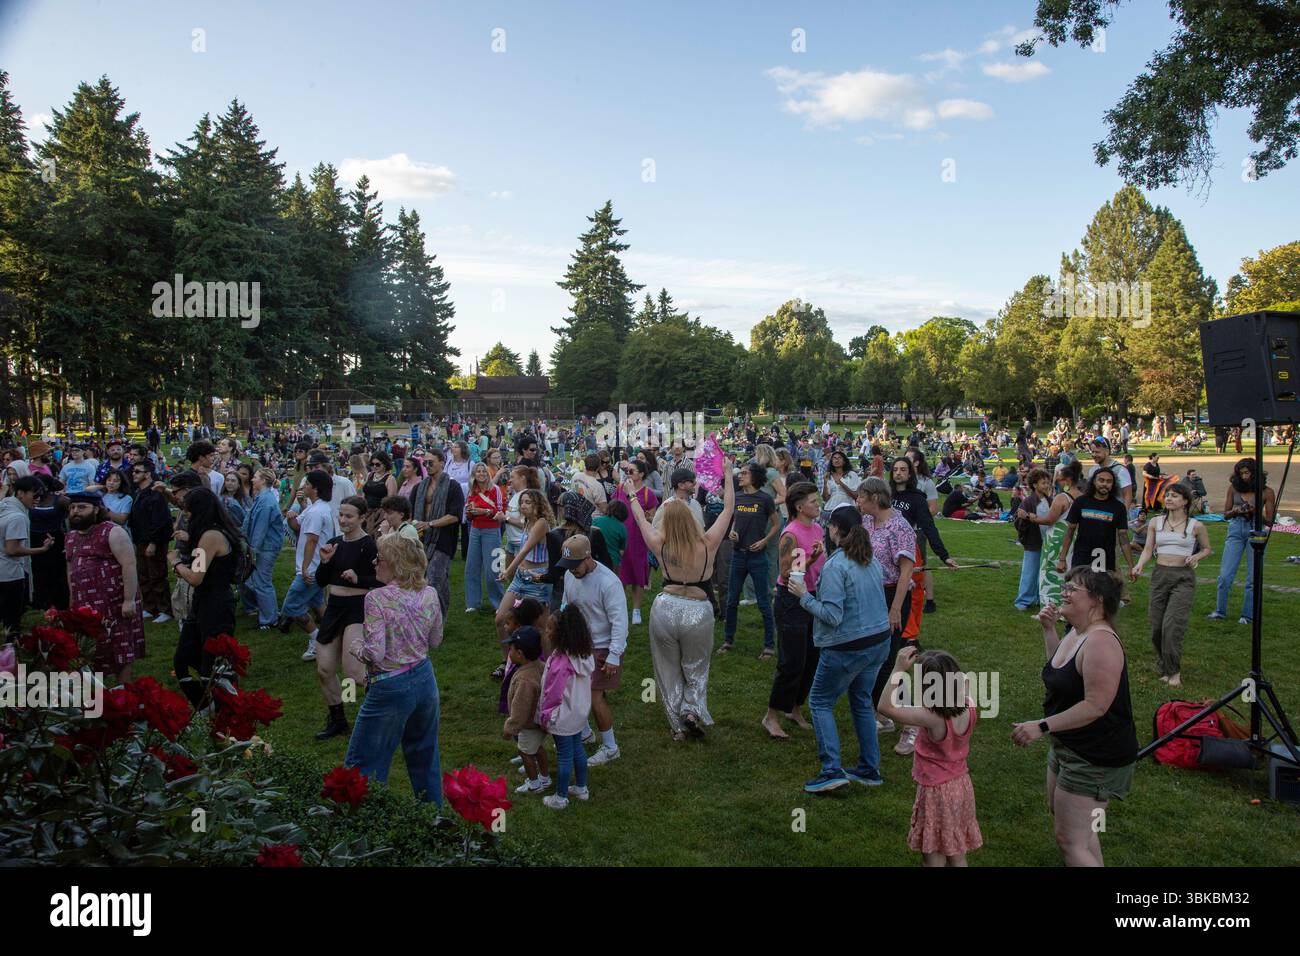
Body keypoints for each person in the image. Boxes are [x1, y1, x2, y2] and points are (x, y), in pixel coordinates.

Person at [1012, 568, 1138, 867]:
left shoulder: (1101, 642)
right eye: (1065, 586)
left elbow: (1095, 705)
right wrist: (1048, 630)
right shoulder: (1077, 632)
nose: (1063, 592)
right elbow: (1061, 672)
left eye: (1072, 589)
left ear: (1097, 600)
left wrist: (1042, 726)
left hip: (1096, 756)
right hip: (1070, 746)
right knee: (1074, 829)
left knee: (1071, 841)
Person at [627, 458, 736, 740]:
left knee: (667, 670)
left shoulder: (659, 543)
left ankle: (677, 726)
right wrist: (727, 475)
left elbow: (640, 518)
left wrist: (630, 494)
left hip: (665, 608)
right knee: (696, 667)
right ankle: (691, 710)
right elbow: (728, 508)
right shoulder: (708, 544)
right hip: (698, 611)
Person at [789, 506, 892, 792]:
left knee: (820, 702)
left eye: (829, 526)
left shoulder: (836, 566)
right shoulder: (869, 560)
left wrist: (803, 597)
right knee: (861, 700)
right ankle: (870, 768)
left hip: (849, 646)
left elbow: (832, 616)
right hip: (878, 641)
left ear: (835, 530)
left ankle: (831, 770)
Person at [344, 533, 444, 805]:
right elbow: (435, 640)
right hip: (424, 680)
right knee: (425, 757)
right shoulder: (430, 593)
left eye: (380, 558)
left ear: (395, 563)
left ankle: (360, 824)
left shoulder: (376, 598)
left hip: (389, 686)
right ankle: (435, 820)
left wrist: (355, 647)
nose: (375, 563)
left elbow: (374, 653)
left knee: (364, 763)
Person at [878, 646, 983, 866]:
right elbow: (964, 682)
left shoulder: (930, 717)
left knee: (933, 853)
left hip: (936, 792)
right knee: (956, 851)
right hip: (961, 785)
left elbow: (884, 707)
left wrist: (898, 668)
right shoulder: (969, 706)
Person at [1130, 482, 1210, 687]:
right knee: (1157, 626)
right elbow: (1148, 549)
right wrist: (1139, 565)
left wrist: (1196, 557)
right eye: (1167, 496)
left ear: (1185, 501)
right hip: (1160, 575)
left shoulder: (1196, 526)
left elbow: (1207, 549)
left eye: (1174, 496)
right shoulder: (1156, 522)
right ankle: (1164, 664)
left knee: (1172, 625)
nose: (1168, 499)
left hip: (1183, 578)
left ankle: (1174, 673)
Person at [312, 496, 379, 740]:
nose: (343, 520)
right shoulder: (333, 543)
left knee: (353, 672)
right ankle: (338, 720)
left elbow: (383, 580)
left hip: (357, 607)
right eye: (341, 515)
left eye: (349, 516)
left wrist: (359, 579)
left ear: (362, 518)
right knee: (325, 669)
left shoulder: (369, 545)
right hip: (334, 607)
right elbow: (321, 581)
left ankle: (380, 709)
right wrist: (324, 563)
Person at [762, 481, 826, 739]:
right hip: (791, 601)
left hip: (812, 598)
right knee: (791, 662)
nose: (817, 504)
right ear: (800, 507)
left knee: (812, 659)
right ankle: (771, 715)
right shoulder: (791, 533)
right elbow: (786, 572)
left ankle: (794, 708)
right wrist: (809, 559)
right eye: (813, 501)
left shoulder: (818, 528)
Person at [558, 533, 629, 760]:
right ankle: (586, 733)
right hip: (577, 645)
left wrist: (614, 655)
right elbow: (566, 604)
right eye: (567, 566)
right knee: (574, 692)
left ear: (588, 558)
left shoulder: (609, 582)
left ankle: (610, 747)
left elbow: (620, 621)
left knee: (594, 698)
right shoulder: (571, 576)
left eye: (575, 565)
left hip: (602, 647)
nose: (571, 570)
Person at [168, 488, 240, 708]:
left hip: (214, 605)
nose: (186, 516)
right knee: (185, 659)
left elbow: (196, 576)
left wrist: (176, 562)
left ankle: (223, 710)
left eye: (187, 511)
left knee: (213, 665)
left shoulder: (210, 536)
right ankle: (207, 708)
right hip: (208, 602)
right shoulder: (216, 532)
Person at [64, 490, 144, 683]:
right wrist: (72, 600)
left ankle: (123, 695)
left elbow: (129, 564)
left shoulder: (113, 531)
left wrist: (128, 600)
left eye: (82, 507)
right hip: (86, 607)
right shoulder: (71, 536)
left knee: (121, 650)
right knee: (89, 651)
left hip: (115, 604)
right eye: (73, 507)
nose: (75, 511)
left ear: (97, 509)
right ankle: (96, 700)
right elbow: (70, 570)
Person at [538, 605, 596, 810]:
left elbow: (552, 692)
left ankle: (560, 797)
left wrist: (546, 715)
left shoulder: (559, 662)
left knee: (564, 755)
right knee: (578, 750)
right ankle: (581, 787)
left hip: (561, 715)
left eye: (550, 628)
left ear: (561, 634)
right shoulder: (584, 656)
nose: (547, 631)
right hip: (579, 713)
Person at [494, 489, 555, 680]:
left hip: (537, 580)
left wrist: (507, 570)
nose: (523, 505)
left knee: (541, 627)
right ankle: (508, 663)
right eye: (522, 502)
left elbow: (525, 550)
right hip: (521, 578)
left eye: (527, 502)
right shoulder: (527, 522)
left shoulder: (541, 524)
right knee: (501, 618)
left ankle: (549, 670)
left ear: (537, 504)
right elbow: (518, 528)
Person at [719, 461, 778, 657]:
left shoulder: (765, 499)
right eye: (740, 473)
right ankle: (728, 641)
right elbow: (735, 520)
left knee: (763, 601)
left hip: (757, 557)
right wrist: (733, 533)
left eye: (744, 473)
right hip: (738, 555)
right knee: (732, 600)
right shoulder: (738, 498)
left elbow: (777, 524)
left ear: (755, 477)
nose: (740, 476)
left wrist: (764, 541)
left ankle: (769, 645)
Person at [1210, 458, 1275, 625]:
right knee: (1225, 575)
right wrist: (1236, 511)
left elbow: (1269, 521)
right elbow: (1225, 514)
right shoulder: (1233, 489)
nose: (1245, 476)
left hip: (1256, 530)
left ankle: (1247, 615)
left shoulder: (1267, 492)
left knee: (1253, 577)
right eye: (1241, 473)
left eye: (1248, 473)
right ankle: (1220, 611)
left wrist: (1255, 512)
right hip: (1236, 529)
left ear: (1255, 473)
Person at [280, 470, 336, 662]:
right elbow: (297, 527)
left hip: (311, 569)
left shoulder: (316, 511)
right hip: (318, 567)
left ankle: (316, 640)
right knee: (319, 603)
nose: (303, 487)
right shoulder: (315, 508)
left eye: (306, 484)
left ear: (315, 488)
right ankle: (335, 637)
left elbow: (311, 540)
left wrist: (304, 569)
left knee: (291, 607)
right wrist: (291, 517)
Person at [1055, 467, 1133, 594]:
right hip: (1081, 557)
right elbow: (1070, 532)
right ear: (1094, 482)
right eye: (1101, 480)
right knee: (1077, 593)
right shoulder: (1081, 502)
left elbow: (1123, 538)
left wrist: (1130, 566)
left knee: (1100, 597)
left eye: (1109, 481)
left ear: (1113, 485)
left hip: (1105, 560)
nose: (1104, 484)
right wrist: (1062, 559)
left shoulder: (1118, 507)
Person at [410, 447, 464, 615]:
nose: (427, 465)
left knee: (435, 579)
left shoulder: (452, 486)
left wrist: (430, 524)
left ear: (442, 462)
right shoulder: (419, 488)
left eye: (431, 462)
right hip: (421, 538)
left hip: (443, 538)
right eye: (425, 463)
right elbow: (410, 513)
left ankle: (439, 617)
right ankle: (423, 616)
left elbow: (455, 516)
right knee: (420, 579)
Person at [0, 475, 53, 633]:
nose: (37, 499)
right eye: (34, 495)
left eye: (41, 496)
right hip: (10, 576)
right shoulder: (18, 517)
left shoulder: (4, 505)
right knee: (11, 623)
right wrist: (42, 550)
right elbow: (13, 549)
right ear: (21, 493)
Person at [502, 625, 549, 794]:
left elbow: (520, 708)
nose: (509, 652)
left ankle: (534, 784)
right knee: (538, 748)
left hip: (529, 724)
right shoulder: (541, 666)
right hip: (541, 721)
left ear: (520, 654)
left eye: (511, 649)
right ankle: (545, 777)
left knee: (525, 752)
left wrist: (510, 728)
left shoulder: (524, 679)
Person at [612, 459, 658, 626]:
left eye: (631, 471)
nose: (628, 474)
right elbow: (613, 509)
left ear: (641, 474)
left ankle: (636, 610)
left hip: (638, 539)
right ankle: (621, 607)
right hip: (621, 538)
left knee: (638, 575)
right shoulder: (619, 489)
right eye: (627, 471)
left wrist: (648, 517)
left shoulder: (648, 494)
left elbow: (653, 517)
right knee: (620, 575)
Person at [240, 467, 286, 630]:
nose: (252, 479)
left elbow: (260, 528)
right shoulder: (263, 497)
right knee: (258, 581)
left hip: (266, 547)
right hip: (265, 546)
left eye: (256, 477)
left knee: (262, 582)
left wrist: (252, 550)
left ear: (264, 480)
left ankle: (269, 619)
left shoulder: (266, 501)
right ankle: (270, 612)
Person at [1037, 460, 1084, 610]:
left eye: (1061, 478)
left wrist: (1030, 517)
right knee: (1070, 572)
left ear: (1068, 480)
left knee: (1050, 572)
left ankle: (1050, 608)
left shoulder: (1062, 498)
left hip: (1057, 539)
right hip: (1076, 539)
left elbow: (1050, 519)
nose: (1057, 480)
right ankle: (1069, 606)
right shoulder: (1084, 497)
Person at [464, 462, 507, 613]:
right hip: (475, 530)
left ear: (487, 474)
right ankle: (473, 603)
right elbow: (468, 515)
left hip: (492, 530)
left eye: (483, 471)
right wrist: (470, 512)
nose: (481, 473)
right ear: (474, 475)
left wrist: (485, 511)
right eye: (478, 471)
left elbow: (501, 511)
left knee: (493, 569)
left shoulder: (495, 490)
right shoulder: (471, 491)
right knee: (471, 567)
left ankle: (499, 603)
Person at [1012, 468, 1053, 611]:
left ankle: (1037, 597)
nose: (1046, 485)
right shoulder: (1028, 502)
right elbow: (1018, 523)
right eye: (1043, 483)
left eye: (1048, 483)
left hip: (1047, 542)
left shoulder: (1050, 501)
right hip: (1033, 543)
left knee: (1043, 573)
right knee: (1029, 573)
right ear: (1035, 485)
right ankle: (1023, 600)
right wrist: (1025, 520)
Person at [592, 499, 627, 573]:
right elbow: (621, 551)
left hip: (596, 559)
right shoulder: (622, 528)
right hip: (613, 561)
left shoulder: (596, 520)